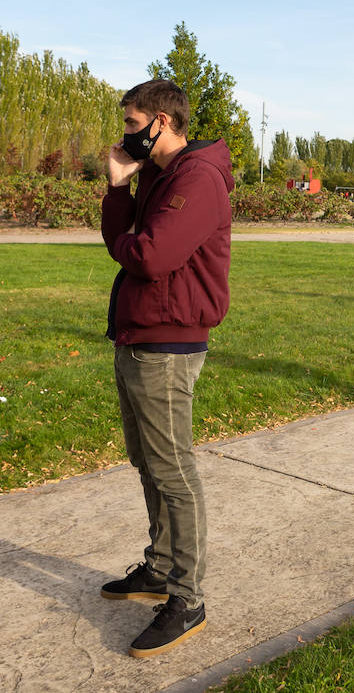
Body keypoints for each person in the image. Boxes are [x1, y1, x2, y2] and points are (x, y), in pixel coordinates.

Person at [99, 79, 233, 658]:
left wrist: (130, 239)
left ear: (160, 120)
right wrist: (117, 190)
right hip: (138, 335)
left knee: (173, 469)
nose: (124, 135)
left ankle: (187, 597)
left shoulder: (197, 178)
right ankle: (159, 570)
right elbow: (121, 240)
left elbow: (149, 256)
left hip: (169, 343)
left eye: (131, 124)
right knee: (147, 461)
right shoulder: (155, 175)